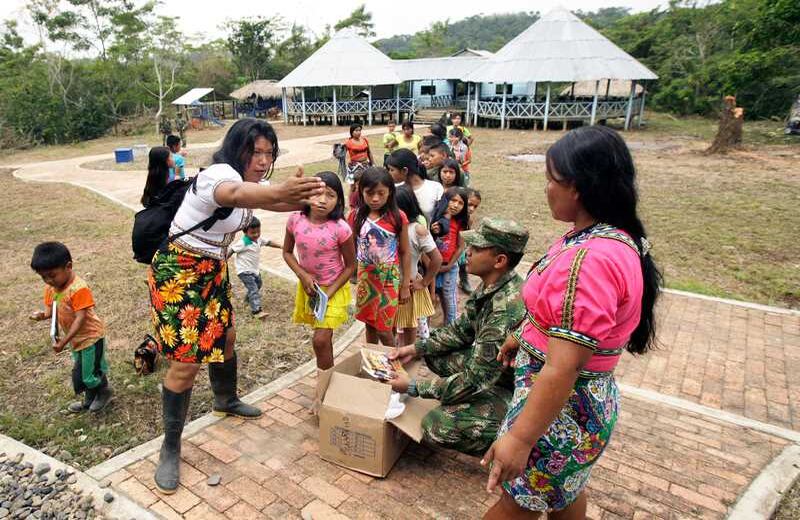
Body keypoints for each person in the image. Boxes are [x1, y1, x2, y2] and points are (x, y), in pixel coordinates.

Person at [482, 126, 662, 519]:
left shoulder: (588, 262)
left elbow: (564, 365)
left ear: (578, 187)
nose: (547, 188)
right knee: (563, 497)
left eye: (552, 179)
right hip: (582, 408)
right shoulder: (608, 237)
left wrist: (520, 437)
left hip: (558, 414)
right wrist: (523, 334)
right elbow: (561, 320)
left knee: (515, 507)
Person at [144, 118, 325, 495]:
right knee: (186, 361)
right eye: (254, 152)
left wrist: (310, 195)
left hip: (212, 268)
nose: (261, 160)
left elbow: (269, 200)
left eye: (268, 153)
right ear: (235, 149)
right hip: (179, 272)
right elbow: (237, 195)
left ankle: (225, 399)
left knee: (226, 337)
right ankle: (170, 446)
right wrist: (279, 190)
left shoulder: (254, 184)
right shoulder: (219, 175)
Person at [387, 218, 528, 455]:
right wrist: (414, 348)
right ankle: (467, 401)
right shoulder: (491, 285)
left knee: (437, 426)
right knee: (434, 354)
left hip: (513, 390)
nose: (468, 253)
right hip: (497, 373)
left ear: (500, 260)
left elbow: (475, 379)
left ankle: (511, 437)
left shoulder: (505, 310)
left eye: (477, 248)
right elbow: (459, 331)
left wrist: (413, 386)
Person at [283, 172, 355, 411]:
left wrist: (331, 291)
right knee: (324, 343)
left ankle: (323, 394)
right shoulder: (295, 220)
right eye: (317, 193)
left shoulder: (341, 229)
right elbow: (287, 253)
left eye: (330, 195)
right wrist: (303, 275)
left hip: (333, 289)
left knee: (320, 340)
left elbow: (351, 266)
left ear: (339, 201)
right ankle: (328, 384)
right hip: (310, 289)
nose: (323, 200)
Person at [29, 242, 113, 414]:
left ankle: (104, 390)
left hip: (90, 338)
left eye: (52, 275)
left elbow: (80, 319)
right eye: (43, 277)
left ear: (68, 266)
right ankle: (89, 399)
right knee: (83, 372)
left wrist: (63, 342)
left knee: (88, 375)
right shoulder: (52, 288)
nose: (48, 281)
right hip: (75, 339)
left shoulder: (78, 288)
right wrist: (41, 315)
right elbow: (50, 311)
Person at [349, 167, 412, 346]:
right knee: (369, 325)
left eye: (381, 193)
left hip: (389, 279)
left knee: (384, 329)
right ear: (361, 191)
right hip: (366, 278)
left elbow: (405, 252)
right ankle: (372, 362)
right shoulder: (355, 216)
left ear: (390, 192)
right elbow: (352, 246)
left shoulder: (398, 217)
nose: (375, 198)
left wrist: (406, 284)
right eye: (369, 193)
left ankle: (393, 366)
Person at [394, 186, 442, 346]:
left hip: (408, 285)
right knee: (390, 326)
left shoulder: (417, 230)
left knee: (409, 326)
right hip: (388, 286)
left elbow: (436, 259)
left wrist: (424, 282)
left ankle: (408, 357)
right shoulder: (388, 228)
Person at [430, 187, 470, 325]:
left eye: (460, 203)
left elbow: (460, 247)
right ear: (445, 200)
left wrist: (450, 265)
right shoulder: (435, 218)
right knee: (431, 297)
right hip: (432, 266)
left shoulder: (460, 223)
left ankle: (450, 326)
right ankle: (427, 330)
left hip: (449, 266)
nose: (456, 205)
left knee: (449, 298)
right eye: (453, 200)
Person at [229, 217, 280, 319]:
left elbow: (269, 242)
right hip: (244, 271)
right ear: (245, 232)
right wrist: (223, 259)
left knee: (258, 284)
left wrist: (282, 246)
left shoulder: (258, 240)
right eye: (253, 233)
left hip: (254, 270)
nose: (256, 235)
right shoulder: (243, 242)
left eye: (258, 232)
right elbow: (232, 250)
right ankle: (256, 311)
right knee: (253, 289)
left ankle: (248, 299)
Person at [385, 149, 443, 225]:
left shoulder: (435, 188)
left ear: (404, 170)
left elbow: (442, 217)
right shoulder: (393, 190)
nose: (389, 173)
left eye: (392, 170)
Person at [459, 189, 482, 294]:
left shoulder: (469, 219)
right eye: (470, 204)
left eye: (475, 206)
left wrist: (464, 249)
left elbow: (466, 234)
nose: (472, 209)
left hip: (461, 245)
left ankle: (464, 281)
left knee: (463, 261)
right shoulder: (451, 214)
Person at [343, 123, 373, 188]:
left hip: (365, 165)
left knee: (366, 184)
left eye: (360, 130)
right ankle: (352, 197)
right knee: (352, 185)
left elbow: (369, 152)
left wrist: (372, 164)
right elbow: (342, 155)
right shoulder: (348, 142)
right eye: (356, 131)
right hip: (353, 167)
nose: (358, 132)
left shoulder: (365, 140)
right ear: (352, 132)